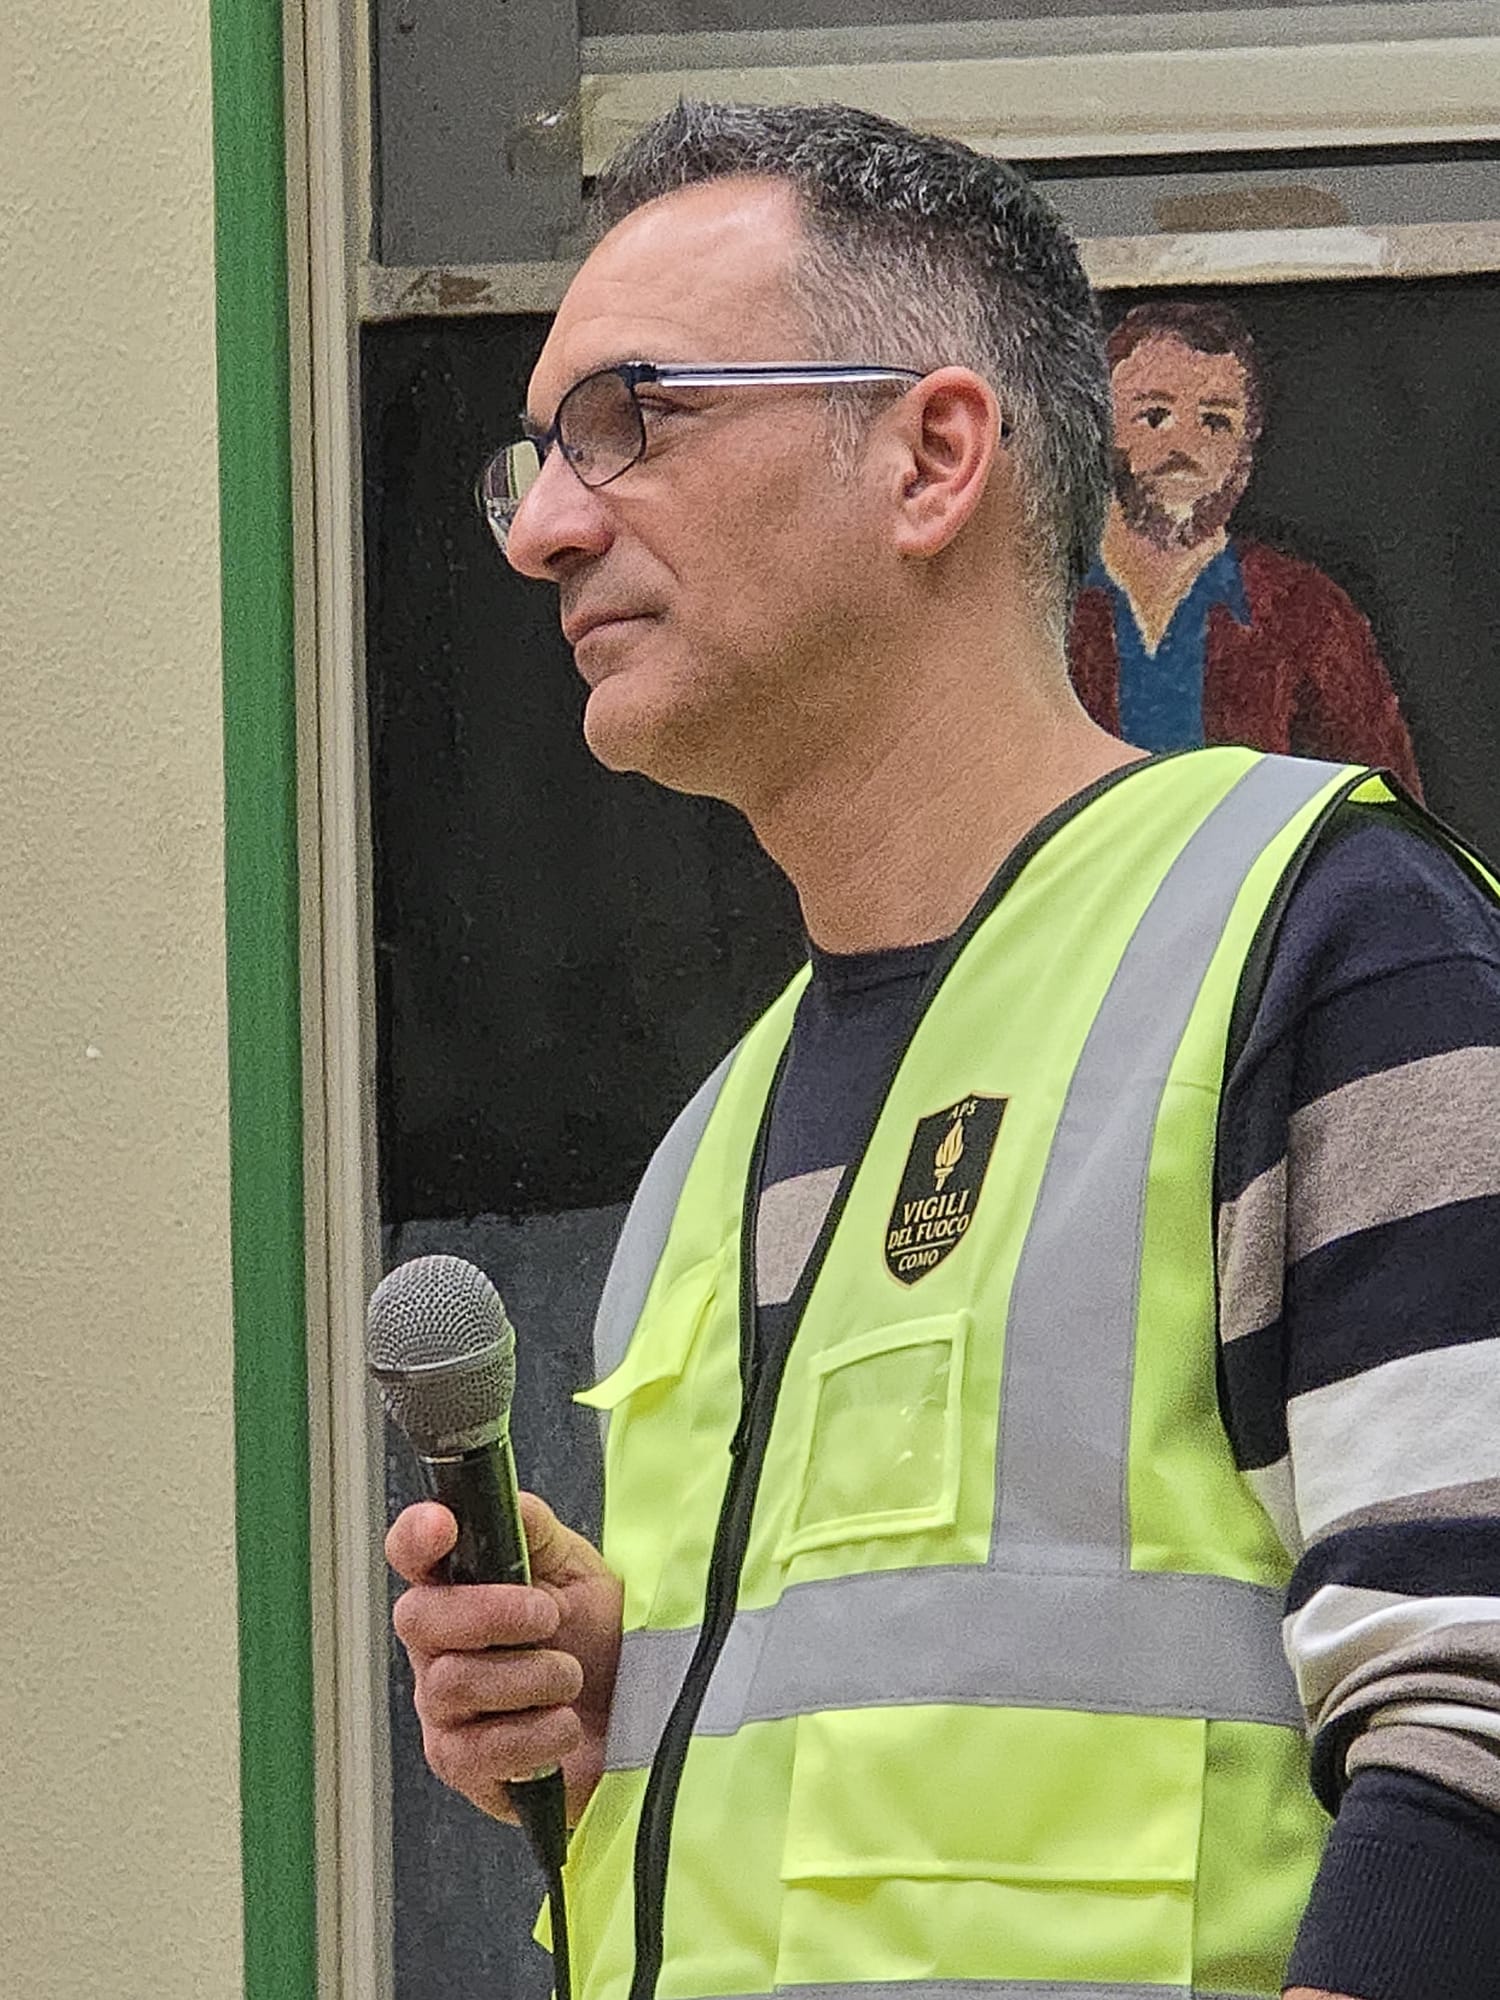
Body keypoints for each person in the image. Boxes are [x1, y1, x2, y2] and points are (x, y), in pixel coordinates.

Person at [385, 101, 1500, 2000]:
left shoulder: (1329, 943)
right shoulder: (710, 1149)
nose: (548, 526)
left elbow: (1470, 1731)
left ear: (932, 457)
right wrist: (637, 1735)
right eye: (536, 460)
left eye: (632, 419)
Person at [1067, 298, 1423, 793]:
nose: (1185, 448)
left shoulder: (1306, 612)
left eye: (1215, 421)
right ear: (1100, 430)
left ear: (1247, 446)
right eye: (1154, 416)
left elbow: (1382, 807)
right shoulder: (1041, 601)